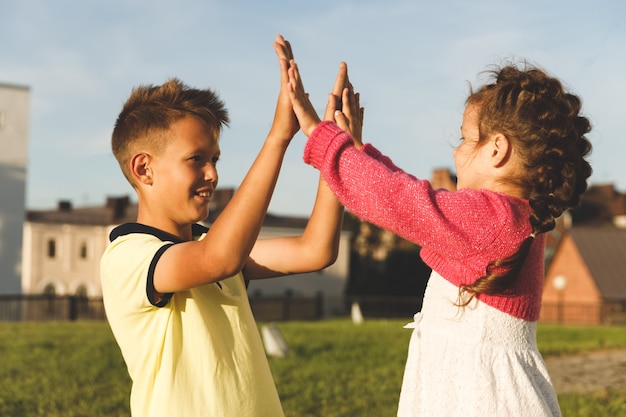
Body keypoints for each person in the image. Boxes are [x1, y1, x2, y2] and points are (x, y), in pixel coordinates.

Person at [286, 58, 592, 416]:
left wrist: (322, 138)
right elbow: (413, 201)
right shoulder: (511, 217)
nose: (455, 151)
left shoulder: (496, 219)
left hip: (483, 401)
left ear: (497, 149)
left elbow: (401, 201)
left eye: (465, 139)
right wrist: (354, 150)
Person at [100, 35, 361, 417]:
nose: (212, 174)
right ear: (144, 168)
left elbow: (316, 249)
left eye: (215, 159)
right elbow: (218, 257)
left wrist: (337, 152)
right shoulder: (128, 255)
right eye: (196, 159)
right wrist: (279, 136)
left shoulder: (218, 245)